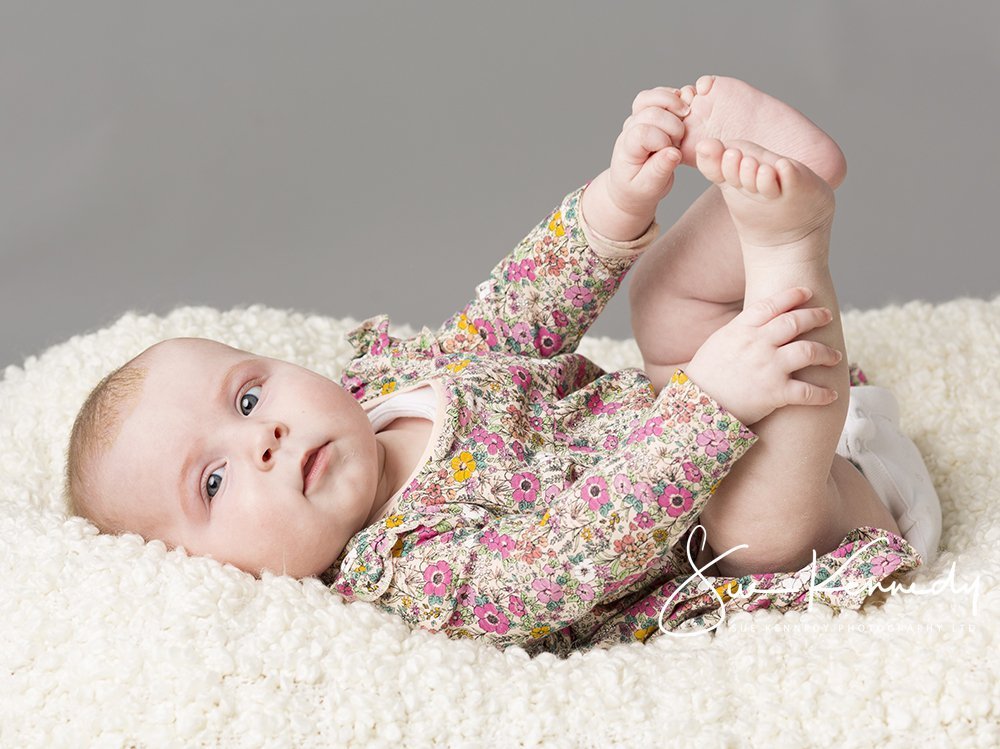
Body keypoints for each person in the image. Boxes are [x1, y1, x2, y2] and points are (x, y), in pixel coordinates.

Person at [64, 76, 940, 658]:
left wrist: (614, 202)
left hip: (707, 403)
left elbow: (511, 321)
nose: (263, 437)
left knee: (665, 303)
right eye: (213, 481)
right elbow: (558, 562)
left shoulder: (387, 385)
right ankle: (790, 251)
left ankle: (762, 190)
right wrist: (712, 403)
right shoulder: (404, 569)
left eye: (249, 394)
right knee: (750, 519)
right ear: (208, 570)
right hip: (792, 521)